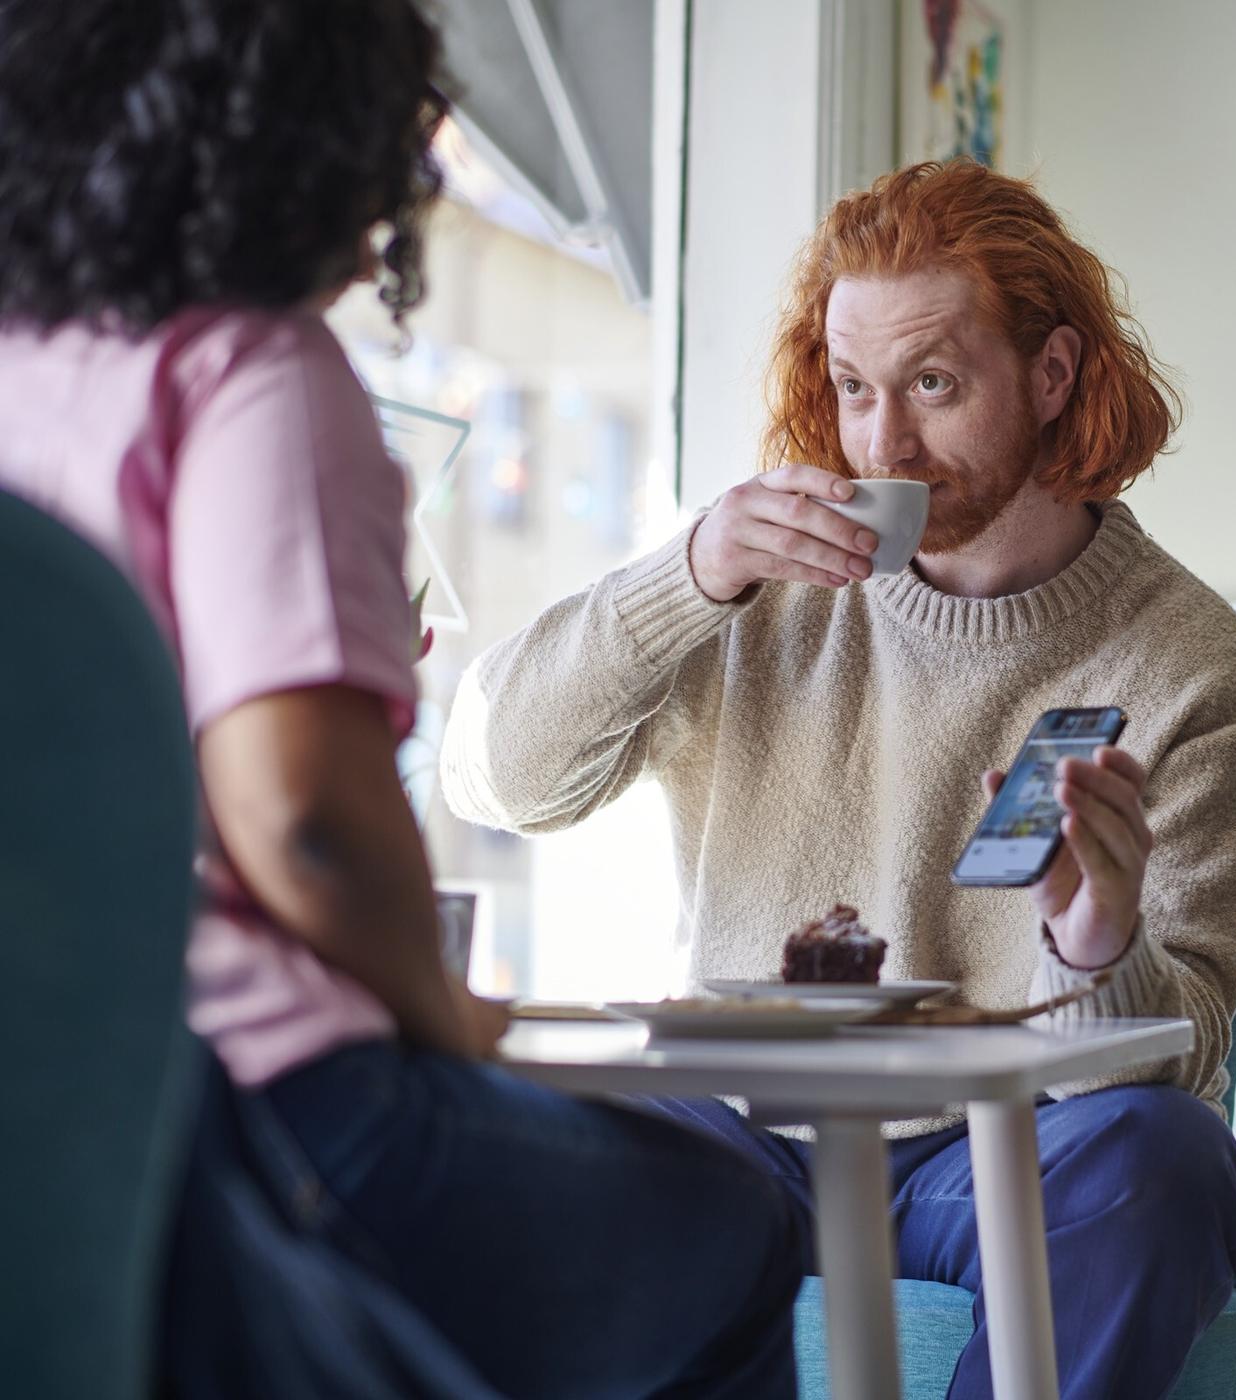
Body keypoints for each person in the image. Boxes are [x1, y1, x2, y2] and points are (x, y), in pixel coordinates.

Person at [0, 2, 803, 1396]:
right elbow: (301, 817)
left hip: (80, 1104)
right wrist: (447, 1017)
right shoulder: (256, 369)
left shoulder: (31, 363)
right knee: (750, 1216)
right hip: (273, 1101)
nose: (410, 185)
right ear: (312, 139)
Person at [441, 159, 1236, 1397]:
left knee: (1166, 1161)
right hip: (747, 1133)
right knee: (504, 1144)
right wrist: (688, 574)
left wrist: (1096, 943)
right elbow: (494, 778)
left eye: (932, 384)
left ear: (1050, 375)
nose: (881, 440)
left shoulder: (1190, 664)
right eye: (850, 387)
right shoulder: (753, 584)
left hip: (997, 1155)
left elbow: (1179, 1060)